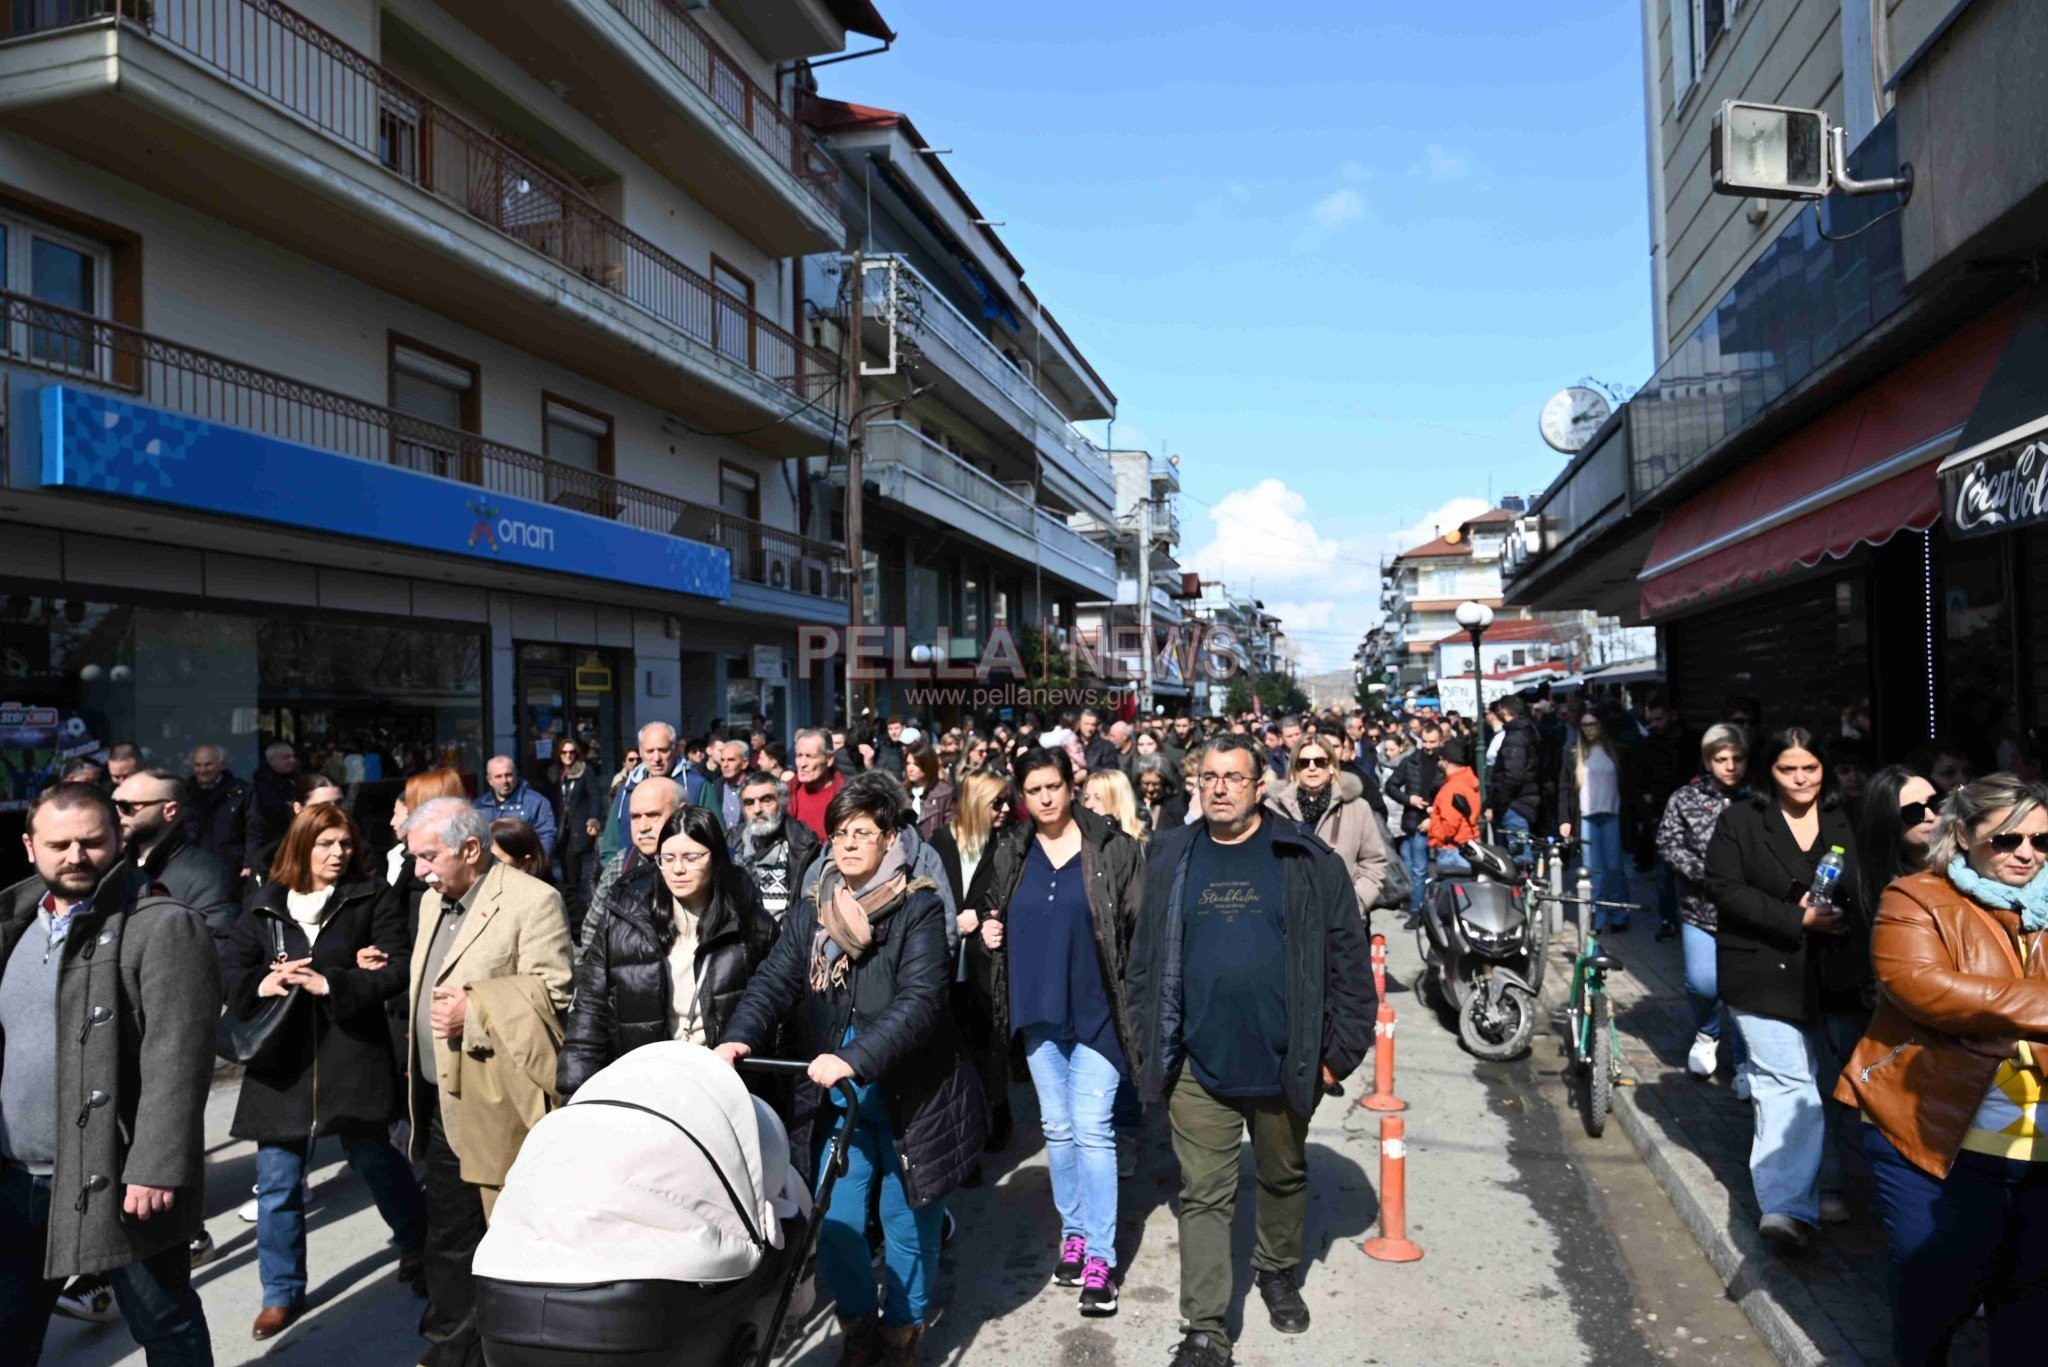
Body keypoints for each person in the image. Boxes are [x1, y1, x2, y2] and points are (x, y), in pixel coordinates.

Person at [1124, 734, 1376, 1367]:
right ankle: (1205, 1329)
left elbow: (1347, 956)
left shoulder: (1304, 857)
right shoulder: (1172, 854)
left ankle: (1276, 1267)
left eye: (1234, 777)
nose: (1219, 787)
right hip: (1195, 1065)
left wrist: (1336, 1055)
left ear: (1260, 787)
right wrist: (1149, 1040)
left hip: (1286, 1059)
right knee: (1202, 1193)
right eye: (1209, 777)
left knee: (1282, 1175)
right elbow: (1144, 958)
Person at [717, 780, 985, 1366]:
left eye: (864, 831)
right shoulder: (816, 906)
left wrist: (854, 1057)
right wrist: (737, 1038)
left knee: (906, 1221)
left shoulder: (918, 905)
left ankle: (903, 1329)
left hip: (913, 1098)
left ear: (891, 838)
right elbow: (777, 979)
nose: (849, 843)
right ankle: (859, 1323)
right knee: (834, 1220)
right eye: (840, 832)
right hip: (841, 1097)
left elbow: (920, 1001)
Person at [0, 783, 218, 1363]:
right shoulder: (13, 924)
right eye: (59, 843)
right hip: (16, 1179)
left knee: (166, 1325)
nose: (76, 855)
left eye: (92, 842)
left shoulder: (162, 924)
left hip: (117, 1180)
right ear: (30, 847)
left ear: (119, 840)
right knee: (8, 1328)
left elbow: (179, 1058)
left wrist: (156, 1168)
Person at [1835, 773, 2048, 1365]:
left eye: (2040, 840)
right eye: (2006, 840)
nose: (2026, 853)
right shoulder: (1916, 897)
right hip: (1931, 1131)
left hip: (2036, 1143)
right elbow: (1923, 988)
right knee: (1940, 1291)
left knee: (2028, 1303)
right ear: (1964, 835)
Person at [221, 805, 424, 1339]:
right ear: (301, 847)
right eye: (326, 844)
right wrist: (265, 984)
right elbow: (230, 970)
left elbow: (399, 967)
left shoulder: (369, 896)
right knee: (279, 1180)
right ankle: (281, 1292)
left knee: (373, 1158)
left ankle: (415, 1242)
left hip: (350, 1052)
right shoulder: (264, 904)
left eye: (346, 844)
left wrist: (332, 981)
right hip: (281, 1064)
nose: (339, 854)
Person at [971, 748, 1142, 1315]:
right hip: (1037, 1011)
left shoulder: (1112, 849)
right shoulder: (1011, 850)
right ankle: (1072, 1235)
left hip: (1099, 1013)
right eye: (1033, 790)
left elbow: (1140, 932)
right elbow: (986, 911)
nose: (1044, 799)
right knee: (1059, 1129)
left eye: (1053, 787)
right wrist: (988, 932)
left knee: (1093, 1129)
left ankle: (1100, 1258)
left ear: (1072, 786)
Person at [403, 798, 573, 1367]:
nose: (420, 870)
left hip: (492, 1101)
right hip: (435, 1098)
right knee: (447, 1240)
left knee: (499, 1240)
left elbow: (555, 995)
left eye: (428, 857)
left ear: (470, 850)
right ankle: (452, 1349)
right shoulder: (432, 901)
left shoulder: (534, 901)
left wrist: (472, 1014)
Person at [1704, 726, 1870, 1254]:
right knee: (1786, 1084)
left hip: (1834, 974)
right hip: (1760, 975)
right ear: (1768, 771)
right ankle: (1786, 1209)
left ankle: (1824, 1184)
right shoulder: (1738, 822)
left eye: (1810, 769)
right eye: (1787, 769)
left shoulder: (1850, 820)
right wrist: (1798, 920)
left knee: (1824, 1086)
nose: (1800, 779)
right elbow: (1725, 890)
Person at [559, 807, 776, 1094]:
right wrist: (576, 1087)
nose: (677, 869)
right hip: (641, 1082)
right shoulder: (624, 916)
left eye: (691, 857)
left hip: (718, 1086)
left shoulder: (753, 926)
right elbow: (590, 1005)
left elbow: (774, 1014)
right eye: (668, 858)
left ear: (716, 859)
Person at [1655, 724, 1752, 1093]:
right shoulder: (1685, 798)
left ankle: (1744, 1060)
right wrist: (1705, 874)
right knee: (1703, 981)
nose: (1730, 766)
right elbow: (1668, 842)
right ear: (1708, 760)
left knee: (1742, 989)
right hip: (1700, 907)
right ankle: (1708, 1032)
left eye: (1737, 759)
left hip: (1746, 911)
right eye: (1721, 759)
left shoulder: (1756, 798)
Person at [1267, 735, 1388, 921]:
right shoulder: (1273, 809)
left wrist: (1356, 901)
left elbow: (1374, 862)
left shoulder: (1357, 808)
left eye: (1320, 761)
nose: (1312, 767)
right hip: (1289, 921)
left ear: (1331, 765)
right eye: (1304, 762)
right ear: (1294, 768)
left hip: (1342, 921)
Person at [110, 769, 239, 942]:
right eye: (113, 806)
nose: (117, 815)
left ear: (169, 810)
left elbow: (217, 945)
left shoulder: (207, 875)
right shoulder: (112, 864)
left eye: (126, 807)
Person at [1558, 710, 1636, 931]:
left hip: (1612, 814)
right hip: (1586, 817)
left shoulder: (1617, 751)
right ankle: (1598, 917)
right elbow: (1564, 786)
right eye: (1584, 725)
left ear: (1602, 725)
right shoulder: (1573, 752)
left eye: (1593, 724)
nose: (1589, 729)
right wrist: (1565, 819)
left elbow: (1630, 784)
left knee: (1614, 868)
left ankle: (1619, 914)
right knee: (1593, 870)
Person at [586, 777, 685, 950]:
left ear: (682, 813)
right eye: (635, 817)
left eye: (653, 815)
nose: (643, 827)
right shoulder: (620, 865)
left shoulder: (717, 862)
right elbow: (591, 931)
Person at [598, 723, 697, 866]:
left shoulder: (697, 786)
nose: (656, 758)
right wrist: (621, 874)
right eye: (650, 751)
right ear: (641, 752)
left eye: (663, 750)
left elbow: (716, 840)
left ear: (675, 749)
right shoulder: (625, 791)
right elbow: (609, 847)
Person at [728, 772, 821, 923]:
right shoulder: (731, 844)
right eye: (749, 802)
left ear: (782, 802)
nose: (757, 809)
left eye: (766, 800)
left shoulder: (803, 846)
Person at [1854, 765, 1944, 901]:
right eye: (1913, 812)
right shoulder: (1894, 894)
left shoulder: (1972, 860)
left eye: (1934, 803)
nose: (1930, 816)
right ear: (1888, 821)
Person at [1385, 723, 1445, 915]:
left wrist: (1434, 813)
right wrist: (1408, 799)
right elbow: (1391, 786)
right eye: (1425, 742)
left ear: (1440, 741)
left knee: (1421, 868)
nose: (1428, 746)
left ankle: (1419, 909)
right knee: (1412, 866)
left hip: (1435, 820)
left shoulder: (1444, 762)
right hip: (1413, 820)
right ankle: (1416, 905)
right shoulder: (1411, 761)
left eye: (1432, 742)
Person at [545, 738, 605, 923]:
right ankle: (570, 907)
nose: (568, 756)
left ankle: (578, 912)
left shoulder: (584, 771)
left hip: (578, 827)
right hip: (560, 826)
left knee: (576, 868)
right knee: (562, 865)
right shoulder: (554, 773)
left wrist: (593, 821)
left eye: (571, 752)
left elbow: (595, 797)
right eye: (564, 752)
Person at [185, 742, 261, 883]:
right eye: (197, 765)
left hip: (231, 867)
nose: (202, 770)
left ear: (221, 765)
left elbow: (253, 829)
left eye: (208, 765)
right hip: (192, 866)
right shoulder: (183, 792)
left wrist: (250, 864)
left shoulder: (242, 791)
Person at [473, 756, 557, 861]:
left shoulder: (537, 803)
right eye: (498, 776)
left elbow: (546, 837)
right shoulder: (479, 806)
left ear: (515, 774)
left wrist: (535, 866)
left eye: (508, 775)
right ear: (489, 780)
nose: (505, 781)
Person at [1488, 695, 1543, 841]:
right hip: (1524, 802)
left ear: (1504, 711)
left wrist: (1500, 803)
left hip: (1515, 805)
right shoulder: (1528, 730)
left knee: (1517, 856)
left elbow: (1513, 776)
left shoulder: (1515, 736)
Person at [1428, 737, 1482, 875]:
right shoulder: (1468, 782)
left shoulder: (1452, 788)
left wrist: (1438, 839)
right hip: (1467, 844)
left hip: (1453, 849)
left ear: (1445, 762)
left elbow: (1450, 824)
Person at [789, 727, 847, 842]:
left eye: (810, 756)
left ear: (829, 759)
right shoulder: (785, 793)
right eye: (799, 756)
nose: (802, 764)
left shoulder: (846, 795)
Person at [251, 741, 301, 855]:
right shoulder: (262, 783)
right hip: (273, 842)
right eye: (286, 757)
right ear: (272, 760)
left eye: (293, 756)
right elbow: (274, 809)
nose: (292, 760)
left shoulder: (294, 778)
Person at [902, 743, 955, 842]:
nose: (910, 769)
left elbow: (950, 828)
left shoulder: (944, 793)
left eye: (916, 764)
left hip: (932, 850)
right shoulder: (901, 792)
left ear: (927, 766)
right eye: (908, 763)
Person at [1083, 768, 1148, 846]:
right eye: (1086, 798)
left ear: (1118, 800)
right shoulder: (1081, 841)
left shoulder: (1145, 843)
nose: (1089, 805)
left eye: (1098, 798)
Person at [702, 740, 752, 835]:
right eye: (722, 760)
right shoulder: (715, 787)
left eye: (731, 760)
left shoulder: (756, 787)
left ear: (744, 763)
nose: (725, 765)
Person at [1134, 758, 1188, 834]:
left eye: (1155, 784)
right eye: (1145, 783)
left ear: (1165, 782)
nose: (1150, 789)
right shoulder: (1133, 801)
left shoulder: (1175, 805)